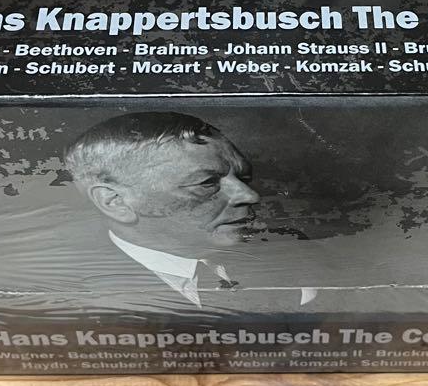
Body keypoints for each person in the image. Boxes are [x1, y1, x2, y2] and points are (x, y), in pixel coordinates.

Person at [65, 111, 318, 312]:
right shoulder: (69, 293)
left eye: (244, 178)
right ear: (115, 202)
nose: (249, 195)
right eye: (207, 183)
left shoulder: (296, 256)